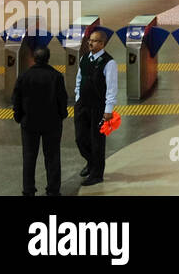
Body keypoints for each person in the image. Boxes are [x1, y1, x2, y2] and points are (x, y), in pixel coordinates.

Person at [12, 46, 68, 196]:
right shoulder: (56, 76)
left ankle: (29, 189)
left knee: (29, 157)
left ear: (33, 58)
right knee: (53, 157)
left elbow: (16, 99)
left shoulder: (24, 76)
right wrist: (62, 115)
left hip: (29, 123)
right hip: (52, 123)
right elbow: (62, 100)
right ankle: (53, 190)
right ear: (48, 58)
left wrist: (19, 117)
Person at [75, 29, 118, 186]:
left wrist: (108, 110)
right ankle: (91, 162)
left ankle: (97, 174)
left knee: (97, 141)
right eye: (89, 41)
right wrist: (78, 98)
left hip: (98, 107)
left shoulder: (109, 62)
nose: (90, 43)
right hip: (82, 105)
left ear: (102, 43)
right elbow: (79, 78)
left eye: (93, 41)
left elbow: (112, 88)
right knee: (80, 138)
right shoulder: (85, 58)